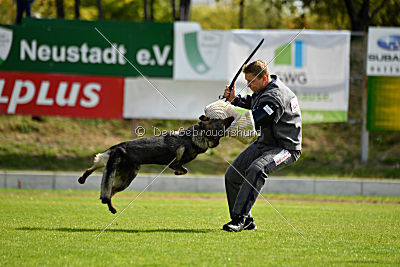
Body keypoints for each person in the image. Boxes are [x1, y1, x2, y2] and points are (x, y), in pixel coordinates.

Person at [222, 60, 302, 232]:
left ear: (264, 78)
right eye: (247, 82)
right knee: (232, 175)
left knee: (257, 169)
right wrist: (234, 100)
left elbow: (259, 118)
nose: (249, 85)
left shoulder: (275, 97)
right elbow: (254, 103)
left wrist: (226, 122)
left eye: (252, 82)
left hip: (286, 148)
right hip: (265, 143)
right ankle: (247, 220)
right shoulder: (264, 89)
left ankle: (239, 219)